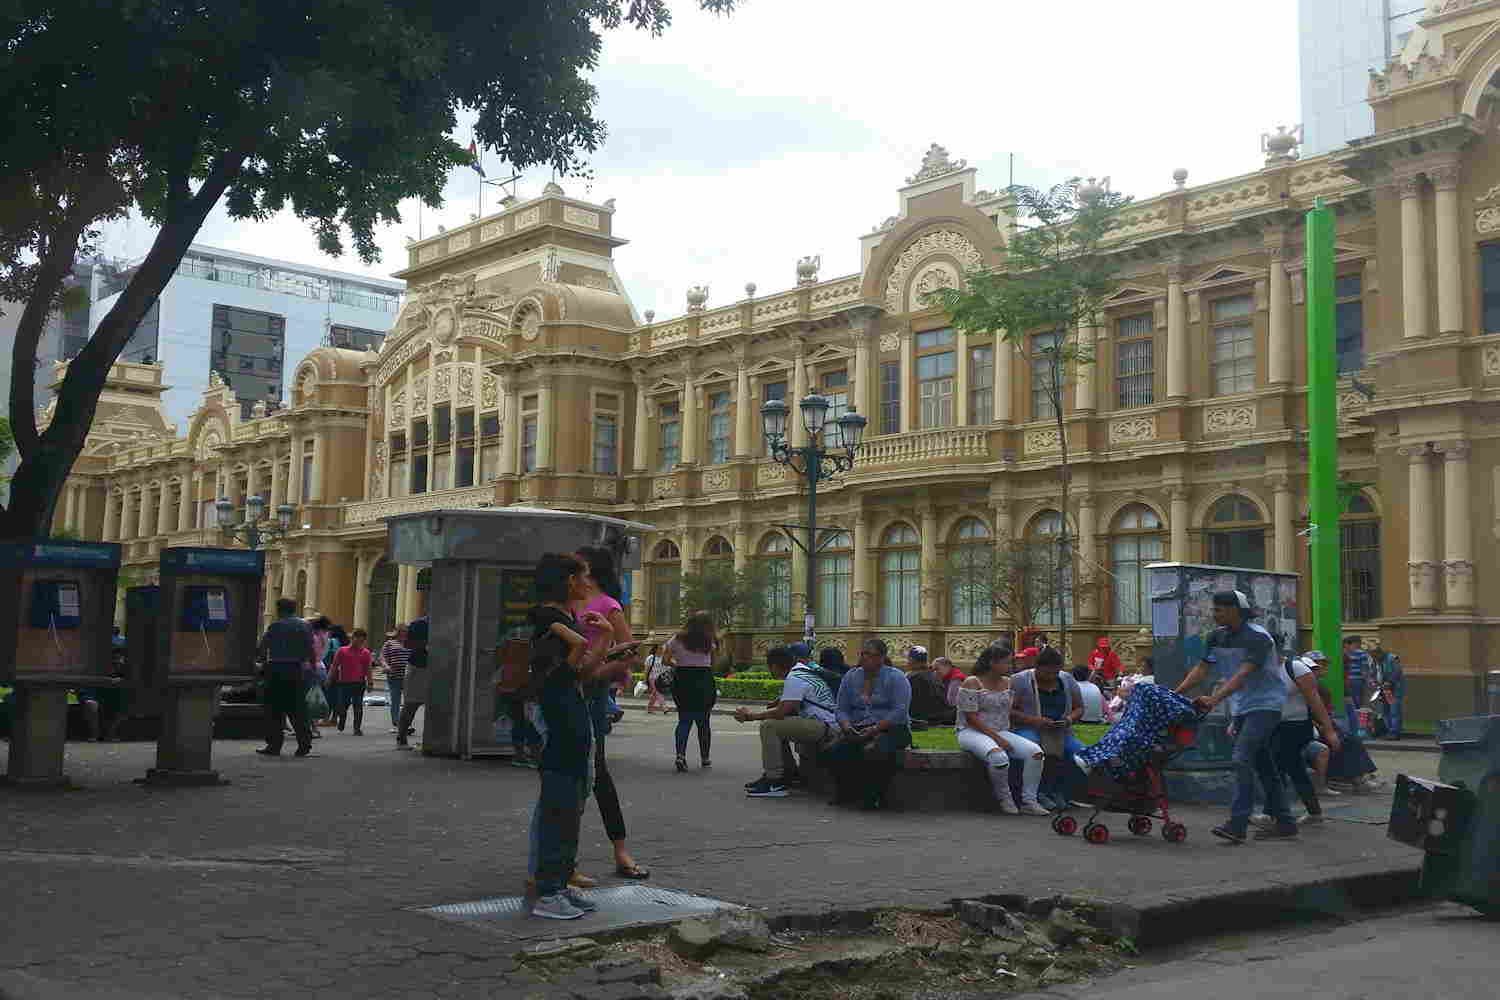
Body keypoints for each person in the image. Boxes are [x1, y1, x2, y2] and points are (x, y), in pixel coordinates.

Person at [526, 552, 613, 921]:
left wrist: (604, 636)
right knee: (558, 805)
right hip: (556, 720)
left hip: (571, 716)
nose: (587, 583)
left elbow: (582, 673)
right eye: (582, 576)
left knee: (571, 805)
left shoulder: (564, 618)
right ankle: (548, 892)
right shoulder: (546, 617)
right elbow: (563, 672)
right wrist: (580, 644)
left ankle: (560, 884)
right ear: (567, 580)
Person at [1174, 590, 1296, 843]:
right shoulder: (1216, 637)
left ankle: (1237, 824)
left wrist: (1215, 699)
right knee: (1262, 764)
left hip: (1266, 705)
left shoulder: (1259, 638)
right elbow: (1202, 669)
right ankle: (1285, 823)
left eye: (1219, 609)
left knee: (1241, 758)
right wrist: (1175, 694)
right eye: (1214, 609)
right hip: (1241, 706)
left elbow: (1243, 674)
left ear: (1235, 611)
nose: (1214, 614)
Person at [573, 545, 650, 882]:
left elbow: (629, 653)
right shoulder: (570, 601)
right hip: (566, 690)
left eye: (578, 565)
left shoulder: (607, 605)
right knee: (569, 776)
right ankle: (565, 858)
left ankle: (620, 850)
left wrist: (596, 671)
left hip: (591, 695)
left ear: (591, 569)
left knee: (597, 772)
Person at [955, 647, 1048, 815]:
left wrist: (1004, 735)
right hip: (970, 731)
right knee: (999, 757)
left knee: (1036, 753)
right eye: (1006, 662)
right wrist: (997, 739)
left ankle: (1029, 801)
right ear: (992, 662)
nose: (1010, 665)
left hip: (1000, 730)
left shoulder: (1007, 682)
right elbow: (971, 718)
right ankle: (1005, 798)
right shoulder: (972, 682)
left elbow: (1006, 711)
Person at [737, 645, 839, 798]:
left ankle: (774, 781)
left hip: (826, 726)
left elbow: (781, 712)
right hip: (826, 723)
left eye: (769, 667)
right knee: (776, 725)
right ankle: (787, 773)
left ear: (774, 666)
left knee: (769, 726)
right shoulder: (801, 671)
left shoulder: (794, 678)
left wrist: (750, 716)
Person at [1257, 650, 1341, 829]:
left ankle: (1270, 814)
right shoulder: (1263, 670)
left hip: (1296, 727)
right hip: (1274, 726)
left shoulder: (1296, 668)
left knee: (1277, 767)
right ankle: (1313, 812)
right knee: (1295, 770)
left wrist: (1329, 730)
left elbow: (1316, 702)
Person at [828, 638, 912, 810]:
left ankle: (873, 797)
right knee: (836, 748)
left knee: (875, 749)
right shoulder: (851, 676)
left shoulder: (896, 677)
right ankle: (845, 793)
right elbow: (841, 708)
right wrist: (846, 725)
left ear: (882, 657)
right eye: (864, 654)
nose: (866, 658)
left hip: (891, 728)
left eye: (871, 655)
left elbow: (900, 711)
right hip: (858, 727)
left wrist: (875, 729)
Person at [1010, 648, 1086, 811]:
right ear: (1036, 668)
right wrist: (1035, 720)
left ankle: (1060, 791)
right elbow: (1009, 710)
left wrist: (1068, 719)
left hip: (1059, 730)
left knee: (1080, 754)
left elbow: (1079, 708)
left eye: (1055, 673)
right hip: (1028, 727)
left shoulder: (1066, 679)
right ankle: (1038, 793)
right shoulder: (1020, 680)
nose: (1051, 677)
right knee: (1035, 749)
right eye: (1046, 673)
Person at [256, 598, 316, 757]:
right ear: (294, 609)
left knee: (274, 709)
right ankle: (304, 743)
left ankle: (274, 745)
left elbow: (262, 648)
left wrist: (261, 663)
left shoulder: (275, 626)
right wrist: (313, 668)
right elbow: (311, 649)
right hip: (296, 670)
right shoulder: (305, 626)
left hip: (276, 670)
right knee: (298, 709)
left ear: (279, 610)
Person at [666, 611, 717, 772]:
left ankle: (680, 756)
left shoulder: (677, 639)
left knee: (684, 720)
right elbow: (713, 662)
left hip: (683, 679)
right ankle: (705, 758)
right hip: (703, 680)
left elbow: (665, 660)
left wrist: (678, 664)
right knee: (704, 721)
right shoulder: (709, 640)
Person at [329, 628, 372, 734]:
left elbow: (368, 669)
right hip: (344, 683)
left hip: (359, 683)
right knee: (342, 706)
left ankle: (357, 728)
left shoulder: (366, 653)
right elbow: (334, 666)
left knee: (358, 706)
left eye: (362, 641)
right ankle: (342, 720)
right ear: (352, 638)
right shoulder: (342, 651)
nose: (359, 643)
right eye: (358, 640)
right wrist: (329, 678)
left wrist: (370, 682)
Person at [396, 616, 429, 748]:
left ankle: (431, 740)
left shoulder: (449, 621)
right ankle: (401, 739)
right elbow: (406, 644)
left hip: (435, 667)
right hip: (418, 667)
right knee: (411, 704)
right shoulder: (420, 623)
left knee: (436, 706)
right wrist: (424, 645)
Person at [905, 646, 954, 725]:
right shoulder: (934, 676)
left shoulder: (912, 677)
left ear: (912, 660)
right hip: (940, 717)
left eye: (908, 659)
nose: (906, 662)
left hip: (923, 720)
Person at [1370, 639, 1405, 740]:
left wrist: (1389, 682)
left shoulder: (1392, 658)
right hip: (1382, 688)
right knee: (1385, 710)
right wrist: (1373, 681)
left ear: (1380, 653)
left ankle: (1395, 732)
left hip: (1394, 688)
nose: (1374, 657)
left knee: (1394, 710)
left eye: (1375, 655)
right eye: (1372, 655)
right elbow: (1372, 673)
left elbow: (1397, 672)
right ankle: (1389, 730)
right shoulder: (1374, 660)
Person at [380, 626, 409, 733]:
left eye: (405, 632)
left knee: (409, 701)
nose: (404, 634)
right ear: (397, 632)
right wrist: (386, 666)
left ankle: (406, 723)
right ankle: (396, 723)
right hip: (394, 676)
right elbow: (382, 657)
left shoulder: (410, 643)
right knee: (395, 700)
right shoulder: (389, 643)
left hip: (408, 676)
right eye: (402, 631)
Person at [1342, 635, 1369, 736]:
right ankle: (1357, 729)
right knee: (1356, 704)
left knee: (1350, 704)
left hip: (1347, 681)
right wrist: (1367, 680)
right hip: (1357, 680)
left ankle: (1352, 728)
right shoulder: (1361, 653)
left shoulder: (1342, 652)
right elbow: (1364, 668)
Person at [644, 644, 665, 714]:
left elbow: (666, 667)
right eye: (660, 648)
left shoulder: (663, 658)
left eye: (662, 648)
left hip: (661, 678)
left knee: (654, 694)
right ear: (656, 649)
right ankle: (664, 707)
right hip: (652, 678)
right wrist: (645, 679)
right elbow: (646, 669)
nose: (662, 650)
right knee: (658, 692)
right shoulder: (650, 658)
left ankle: (649, 708)